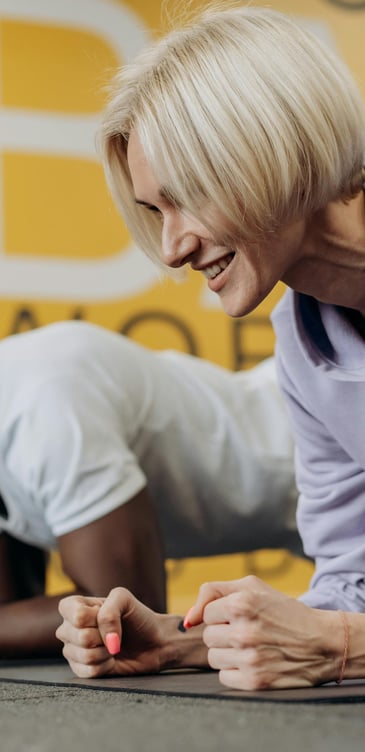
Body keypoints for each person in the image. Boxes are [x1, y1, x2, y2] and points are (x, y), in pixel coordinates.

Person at [56, 4, 365, 689]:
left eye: (185, 196)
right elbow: (353, 588)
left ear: (268, 145)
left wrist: (342, 643)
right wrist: (180, 642)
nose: (171, 248)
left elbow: (346, 632)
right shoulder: (301, 343)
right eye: (154, 212)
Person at [0, 319, 297, 658]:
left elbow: (130, 614)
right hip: (304, 511)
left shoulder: (42, 405)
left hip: (337, 451)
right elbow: (14, 609)